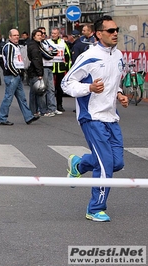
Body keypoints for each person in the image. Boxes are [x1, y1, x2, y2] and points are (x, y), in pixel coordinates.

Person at [61, 16, 128, 222]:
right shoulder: (89, 56)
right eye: (110, 30)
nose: (115, 33)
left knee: (117, 163)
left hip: (110, 117)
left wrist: (119, 94)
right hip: (92, 117)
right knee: (106, 164)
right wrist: (88, 88)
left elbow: (114, 81)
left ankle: (79, 165)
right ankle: (95, 208)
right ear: (99, 34)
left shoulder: (118, 55)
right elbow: (66, 83)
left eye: (116, 29)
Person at [0, 29, 39, 126]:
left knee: (22, 97)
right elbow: (9, 63)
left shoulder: (15, 47)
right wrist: (16, 73)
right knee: (8, 97)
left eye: (17, 35)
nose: (16, 37)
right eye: (14, 35)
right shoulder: (9, 47)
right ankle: (2, 118)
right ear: (10, 37)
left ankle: (28, 117)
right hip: (12, 76)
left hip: (16, 76)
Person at [38, 27, 61, 117]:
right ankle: (43, 109)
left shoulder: (46, 42)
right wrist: (50, 53)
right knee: (43, 89)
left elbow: (55, 51)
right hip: (43, 67)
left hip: (50, 66)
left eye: (44, 33)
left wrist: (50, 53)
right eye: (41, 33)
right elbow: (46, 55)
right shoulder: (39, 44)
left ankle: (52, 108)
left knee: (51, 89)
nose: (43, 35)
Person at [48, 27, 71, 112]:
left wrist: (68, 68)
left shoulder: (63, 43)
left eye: (55, 33)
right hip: (51, 67)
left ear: (58, 34)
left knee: (59, 88)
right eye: (52, 33)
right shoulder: (48, 42)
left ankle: (59, 105)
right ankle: (50, 105)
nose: (53, 35)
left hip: (60, 68)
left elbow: (67, 55)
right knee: (50, 88)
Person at [27, 29, 48, 117]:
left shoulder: (34, 45)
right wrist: (40, 73)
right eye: (38, 35)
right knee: (40, 91)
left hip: (32, 71)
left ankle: (33, 110)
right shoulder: (34, 47)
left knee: (33, 92)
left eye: (41, 35)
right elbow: (36, 60)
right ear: (34, 36)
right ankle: (43, 110)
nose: (40, 36)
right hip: (35, 72)